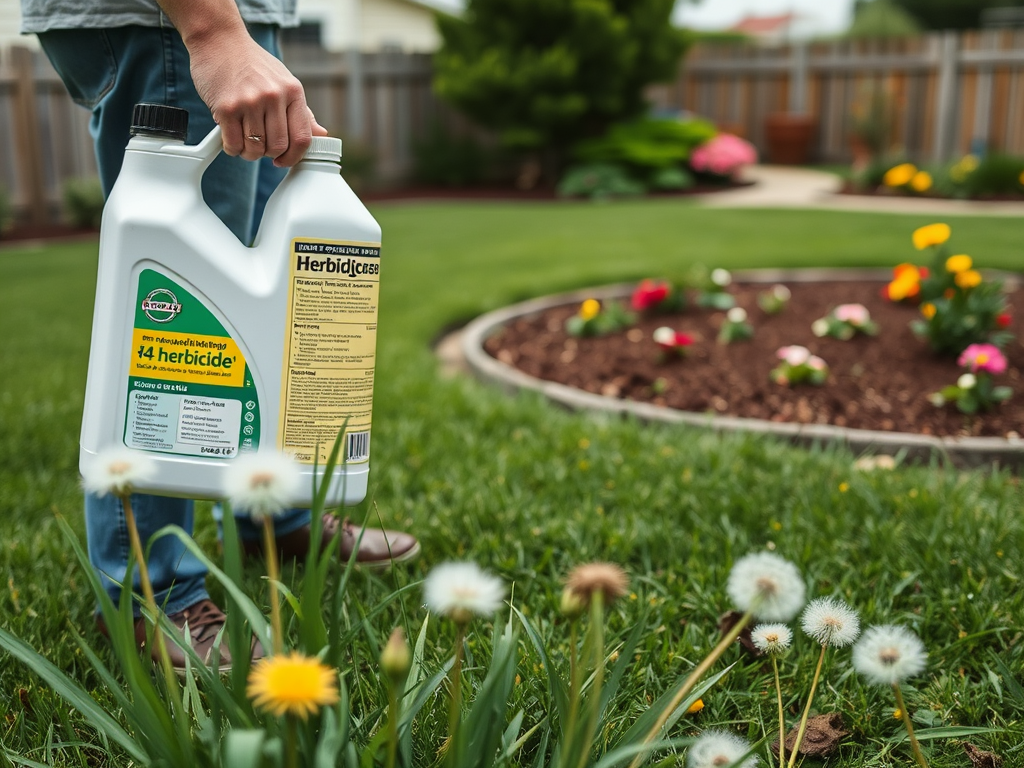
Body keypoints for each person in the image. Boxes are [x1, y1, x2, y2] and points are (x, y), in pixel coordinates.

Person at [21, 0, 420, 670]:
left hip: (229, 20)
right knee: (174, 312)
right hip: (169, 22)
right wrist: (211, 30)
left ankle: (275, 513)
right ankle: (152, 592)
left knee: (270, 289)